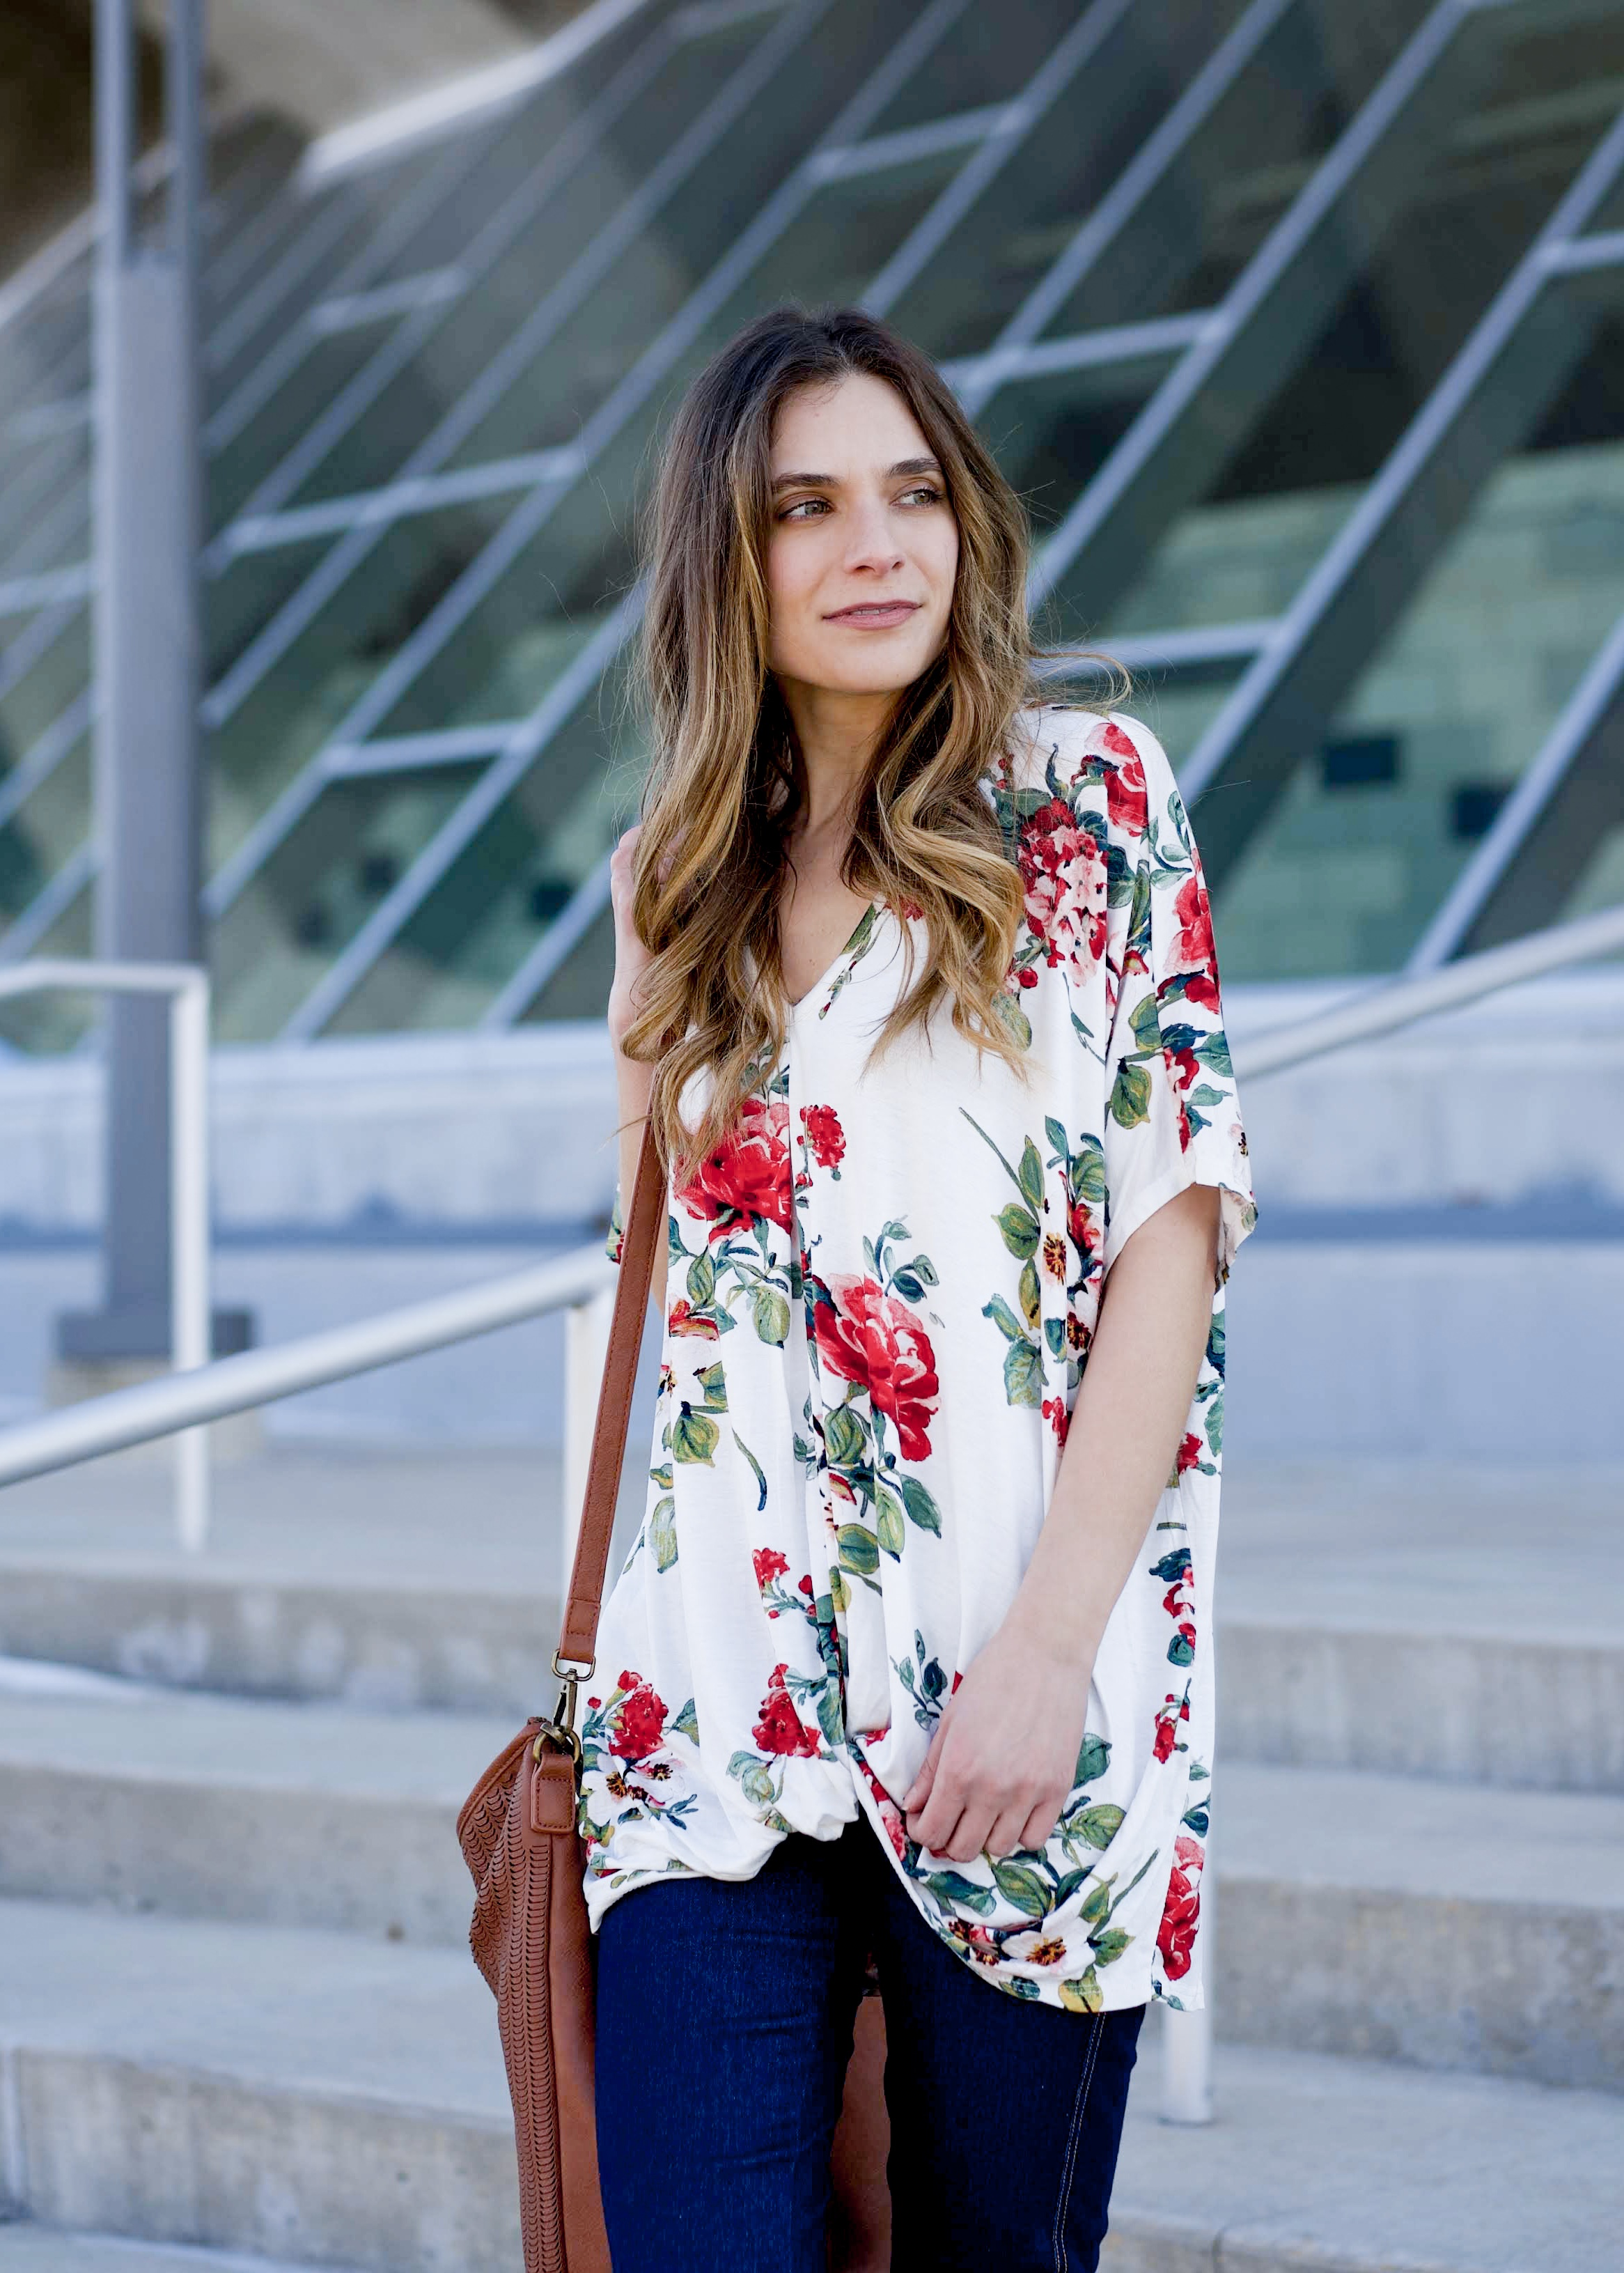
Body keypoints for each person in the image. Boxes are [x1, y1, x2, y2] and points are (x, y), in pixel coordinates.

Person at [586, 305, 1255, 2272]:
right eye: (805, 507)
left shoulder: (1089, 805)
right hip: (710, 1723)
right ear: (729, 561)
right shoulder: (672, 876)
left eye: (910, 493)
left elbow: (1172, 1243)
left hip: (1015, 1711)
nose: (876, 545)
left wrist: (1049, 1656)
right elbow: (670, 1284)